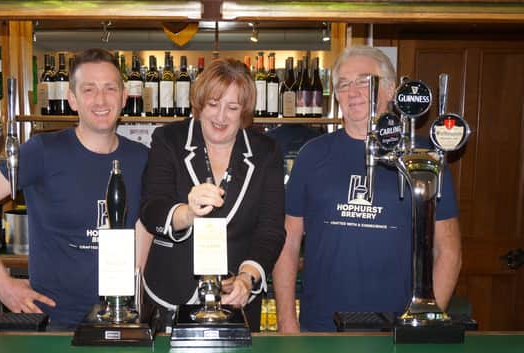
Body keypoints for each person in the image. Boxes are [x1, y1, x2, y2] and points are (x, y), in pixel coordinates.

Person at [272, 45, 462, 332]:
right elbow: (288, 242)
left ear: (390, 90)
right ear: (335, 95)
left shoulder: (424, 157)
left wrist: (424, 322)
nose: (353, 92)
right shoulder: (313, 154)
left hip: (396, 329)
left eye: (364, 81)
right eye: (344, 84)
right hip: (321, 328)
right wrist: (287, 321)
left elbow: (448, 252)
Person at [0, 48, 150, 328]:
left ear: (125, 98)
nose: (100, 99)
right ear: (72, 99)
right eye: (89, 89)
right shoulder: (42, 151)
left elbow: (148, 228)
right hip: (53, 324)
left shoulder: (143, 158)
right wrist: (2, 283)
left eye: (110, 88)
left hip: (121, 319)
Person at [140, 58, 286, 332]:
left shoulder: (267, 152)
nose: (221, 117)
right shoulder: (168, 140)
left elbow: (271, 230)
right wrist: (188, 213)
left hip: (235, 300)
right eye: (213, 104)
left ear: (244, 111)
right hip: (170, 297)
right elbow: (151, 210)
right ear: (199, 103)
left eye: (232, 107)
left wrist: (247, 278)